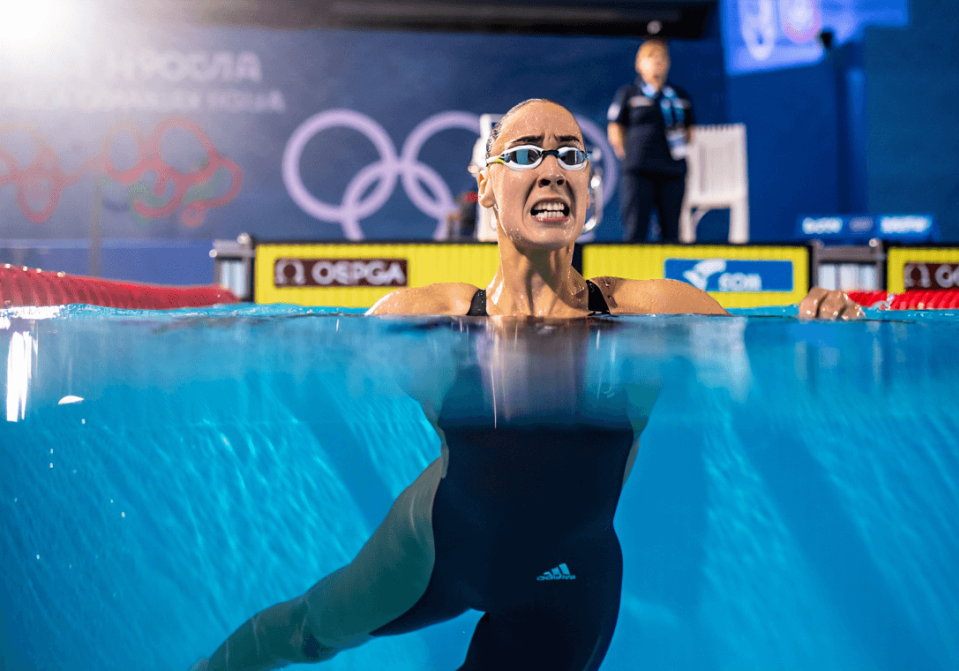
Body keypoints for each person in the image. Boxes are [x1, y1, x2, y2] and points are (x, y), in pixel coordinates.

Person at [190, 98, 861, 671]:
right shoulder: (425, 317)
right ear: (485, 186)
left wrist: (816, 323)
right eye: (525, 154)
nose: (552, 168)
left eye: (571, 154)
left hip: (569, 582)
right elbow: (312, 370)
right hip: (436, 547)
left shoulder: (655, 312)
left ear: (590, 186)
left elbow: (763, 363)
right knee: (308, 631)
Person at [607, 38, 695, 243]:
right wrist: (626, 154)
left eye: (662, 57)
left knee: (671, 232)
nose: (657, 61)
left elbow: (690, 129)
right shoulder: (629, 93)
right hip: (639, 170)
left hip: (672, 170)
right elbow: (615, 126)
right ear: (639, 64)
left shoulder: (679, 96)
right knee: (636, 229)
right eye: (650, 57)